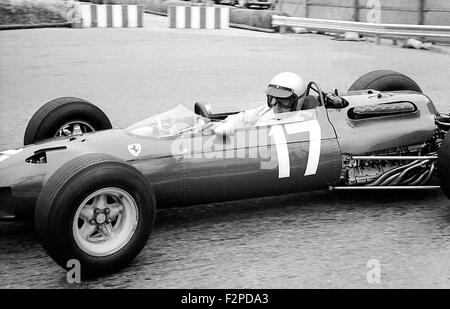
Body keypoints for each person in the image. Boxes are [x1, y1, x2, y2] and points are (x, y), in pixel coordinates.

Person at [215, 72, 307, 136]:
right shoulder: (269, 110)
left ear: (298, 101)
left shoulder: (298, 123)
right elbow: (244, 117)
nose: (276, 106)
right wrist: (227, 125)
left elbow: (256, 136)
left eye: (284, 101)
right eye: (272, 99)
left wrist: (235, 133)